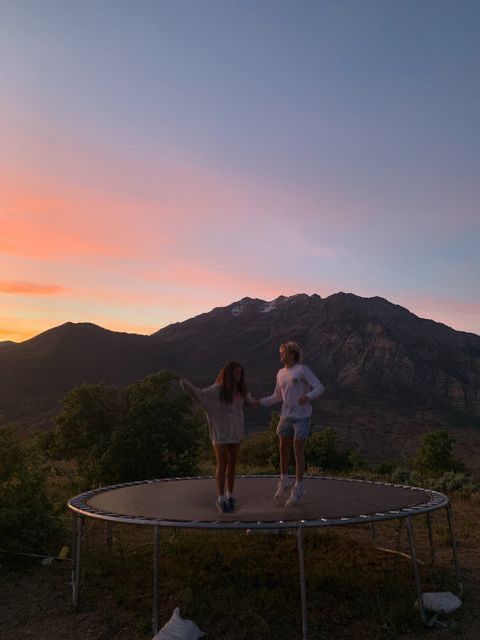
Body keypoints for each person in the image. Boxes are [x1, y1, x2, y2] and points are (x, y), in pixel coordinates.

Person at [180, 362, 256, 514]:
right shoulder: (218, 389)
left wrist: (269, 400)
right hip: (220, 432)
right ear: (228, 374)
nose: (238, 376)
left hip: (235, 432)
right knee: (222, 464)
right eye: (235, 373)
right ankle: (220, 498)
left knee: (232, 464)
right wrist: (189, 387)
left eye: (240, 374)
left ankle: (230, 495)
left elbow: (251, 402)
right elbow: (202, 394)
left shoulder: (241, 391)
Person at [258, 341, 324, 506]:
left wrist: (308, 396)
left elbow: (319, 387)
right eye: (280, 352)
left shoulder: (303, 370)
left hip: (302, 416)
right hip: (286, 415)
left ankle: (299, 487)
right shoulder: (280, 373)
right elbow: (277, 396)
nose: (281, 355)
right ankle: (284, 479)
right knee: (282, 447)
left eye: (283, 352)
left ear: (292, 354)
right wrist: (260, 402)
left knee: (298, 448)